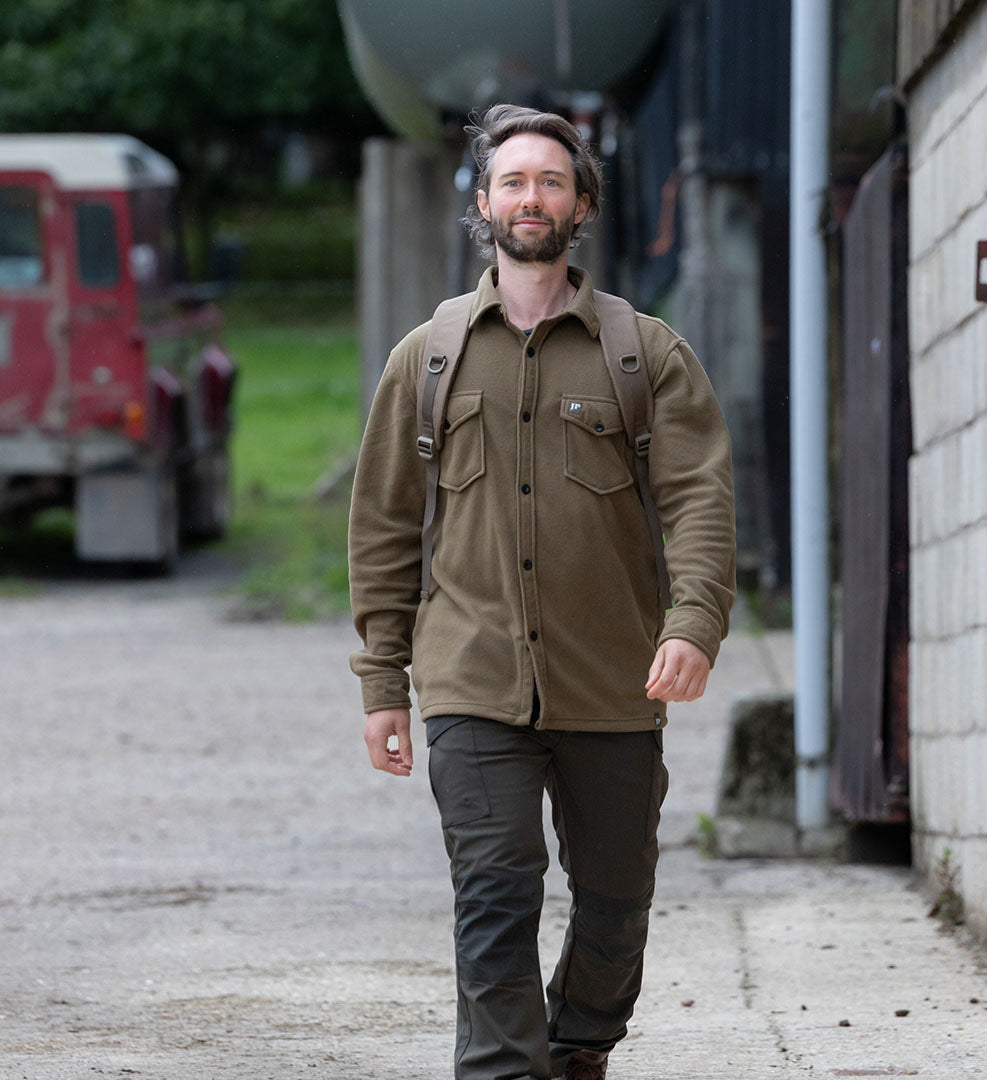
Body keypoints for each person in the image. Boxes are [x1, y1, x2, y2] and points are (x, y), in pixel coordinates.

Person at [348, 103, 735, 1080]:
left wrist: (693, 623)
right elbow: (385, 527)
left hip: (615, 678)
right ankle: (502, 1070)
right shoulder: (426, 361)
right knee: (495, 886)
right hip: (471, 676)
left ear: (582, 204)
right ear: (484, 203)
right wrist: (383, 682)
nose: (532, 198)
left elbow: (699, 500)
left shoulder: (645, 355)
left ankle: (578, 1047)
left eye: (551, 181)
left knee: (615, 897)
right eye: (514, 181)